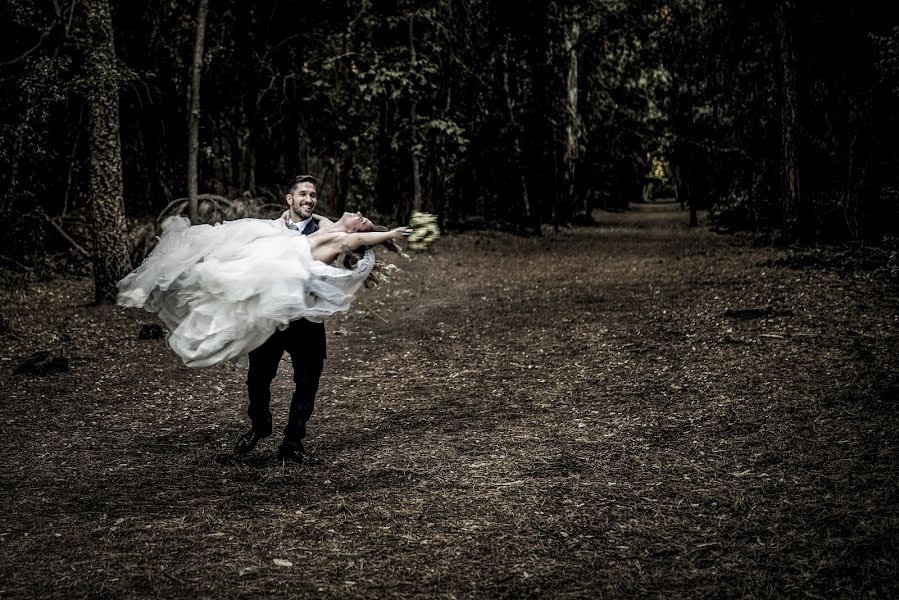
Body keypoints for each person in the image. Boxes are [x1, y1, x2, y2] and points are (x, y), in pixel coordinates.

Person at [116, 175, 407, 465]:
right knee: (258, 378)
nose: (309, 199)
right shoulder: (269, 230)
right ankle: (260, 425)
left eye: (313, 195)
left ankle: (292, 443)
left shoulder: (327, 228)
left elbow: (357, 237)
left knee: (308, 380)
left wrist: (385, 236)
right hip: (268, 317)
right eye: (303, 194)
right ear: (289, 199)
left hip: (306, 318)